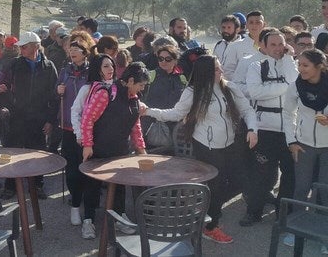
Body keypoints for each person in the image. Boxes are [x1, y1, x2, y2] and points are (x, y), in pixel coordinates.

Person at [141, 55, 258, 244]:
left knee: (240, 181)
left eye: (220, 67)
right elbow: (176, 114)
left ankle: (205, 208)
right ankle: (210, 226)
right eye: (217, 69)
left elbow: (247, 110)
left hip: (230, 143)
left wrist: (253, 129)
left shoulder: (229, 87)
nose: (221, 71)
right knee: (215, 185)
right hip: (206, 145)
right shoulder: (193, 92)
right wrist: (148, 111)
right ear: (206, 72)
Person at [80, 62, 149, 240]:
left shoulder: (134, 99)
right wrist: (87, 145)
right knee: (92, 186)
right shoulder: (106, 93)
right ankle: (88, 220)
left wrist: (141, 150)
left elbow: (135, 127)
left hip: (120, 151)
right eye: (141, 85)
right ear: (131, 80)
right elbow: (87, 118)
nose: (142, 89)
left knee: (119, 186)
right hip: (98, 149)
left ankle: (119, 217)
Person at [242, 29, 298, 226]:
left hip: (290, 130)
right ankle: (253, 212)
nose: (277, 48)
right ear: (263, 47)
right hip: (265, 129)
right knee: (261, 174)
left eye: (281, 44)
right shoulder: (256, 66)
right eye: (272, 44)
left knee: (290, 175)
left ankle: (283, 215)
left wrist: (289, 59)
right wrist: (286, 86)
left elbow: (296, 85)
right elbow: (256, 92)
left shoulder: (291, 65)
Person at [0, 31, 58, 200]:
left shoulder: (49, 66)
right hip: (16, 117)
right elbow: (4, 86)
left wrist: (50, 120)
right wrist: (6, 107)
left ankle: (37, 185)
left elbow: (54, 96)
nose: (21, 49)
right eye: (20, 46)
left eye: (24, 46)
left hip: (39, 118)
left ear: (35, 47)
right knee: (12, 151)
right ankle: (10, 186)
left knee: (37, 153)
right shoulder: (14, 64)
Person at [283, 49, 328, 252]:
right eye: (299, 64)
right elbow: (287, 113)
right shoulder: (295, 86)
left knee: (325, 190)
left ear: (319, 66)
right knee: (301, 188)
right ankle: (296, 230)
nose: (300, 69)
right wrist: (291, 141)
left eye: (305, 65)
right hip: (303, 144)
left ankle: (324, 234)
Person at [55, 40, 90, 227]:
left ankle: (84, 197)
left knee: (86, 166)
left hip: (87, 127)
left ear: (85, 52)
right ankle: (75, 200)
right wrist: (58, 90)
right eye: (71, 49)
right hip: (67, 126)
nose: (73, 52)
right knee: (71, 168)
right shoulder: (65, 70)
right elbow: (56, 91)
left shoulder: (92, 71)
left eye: (77, 49)